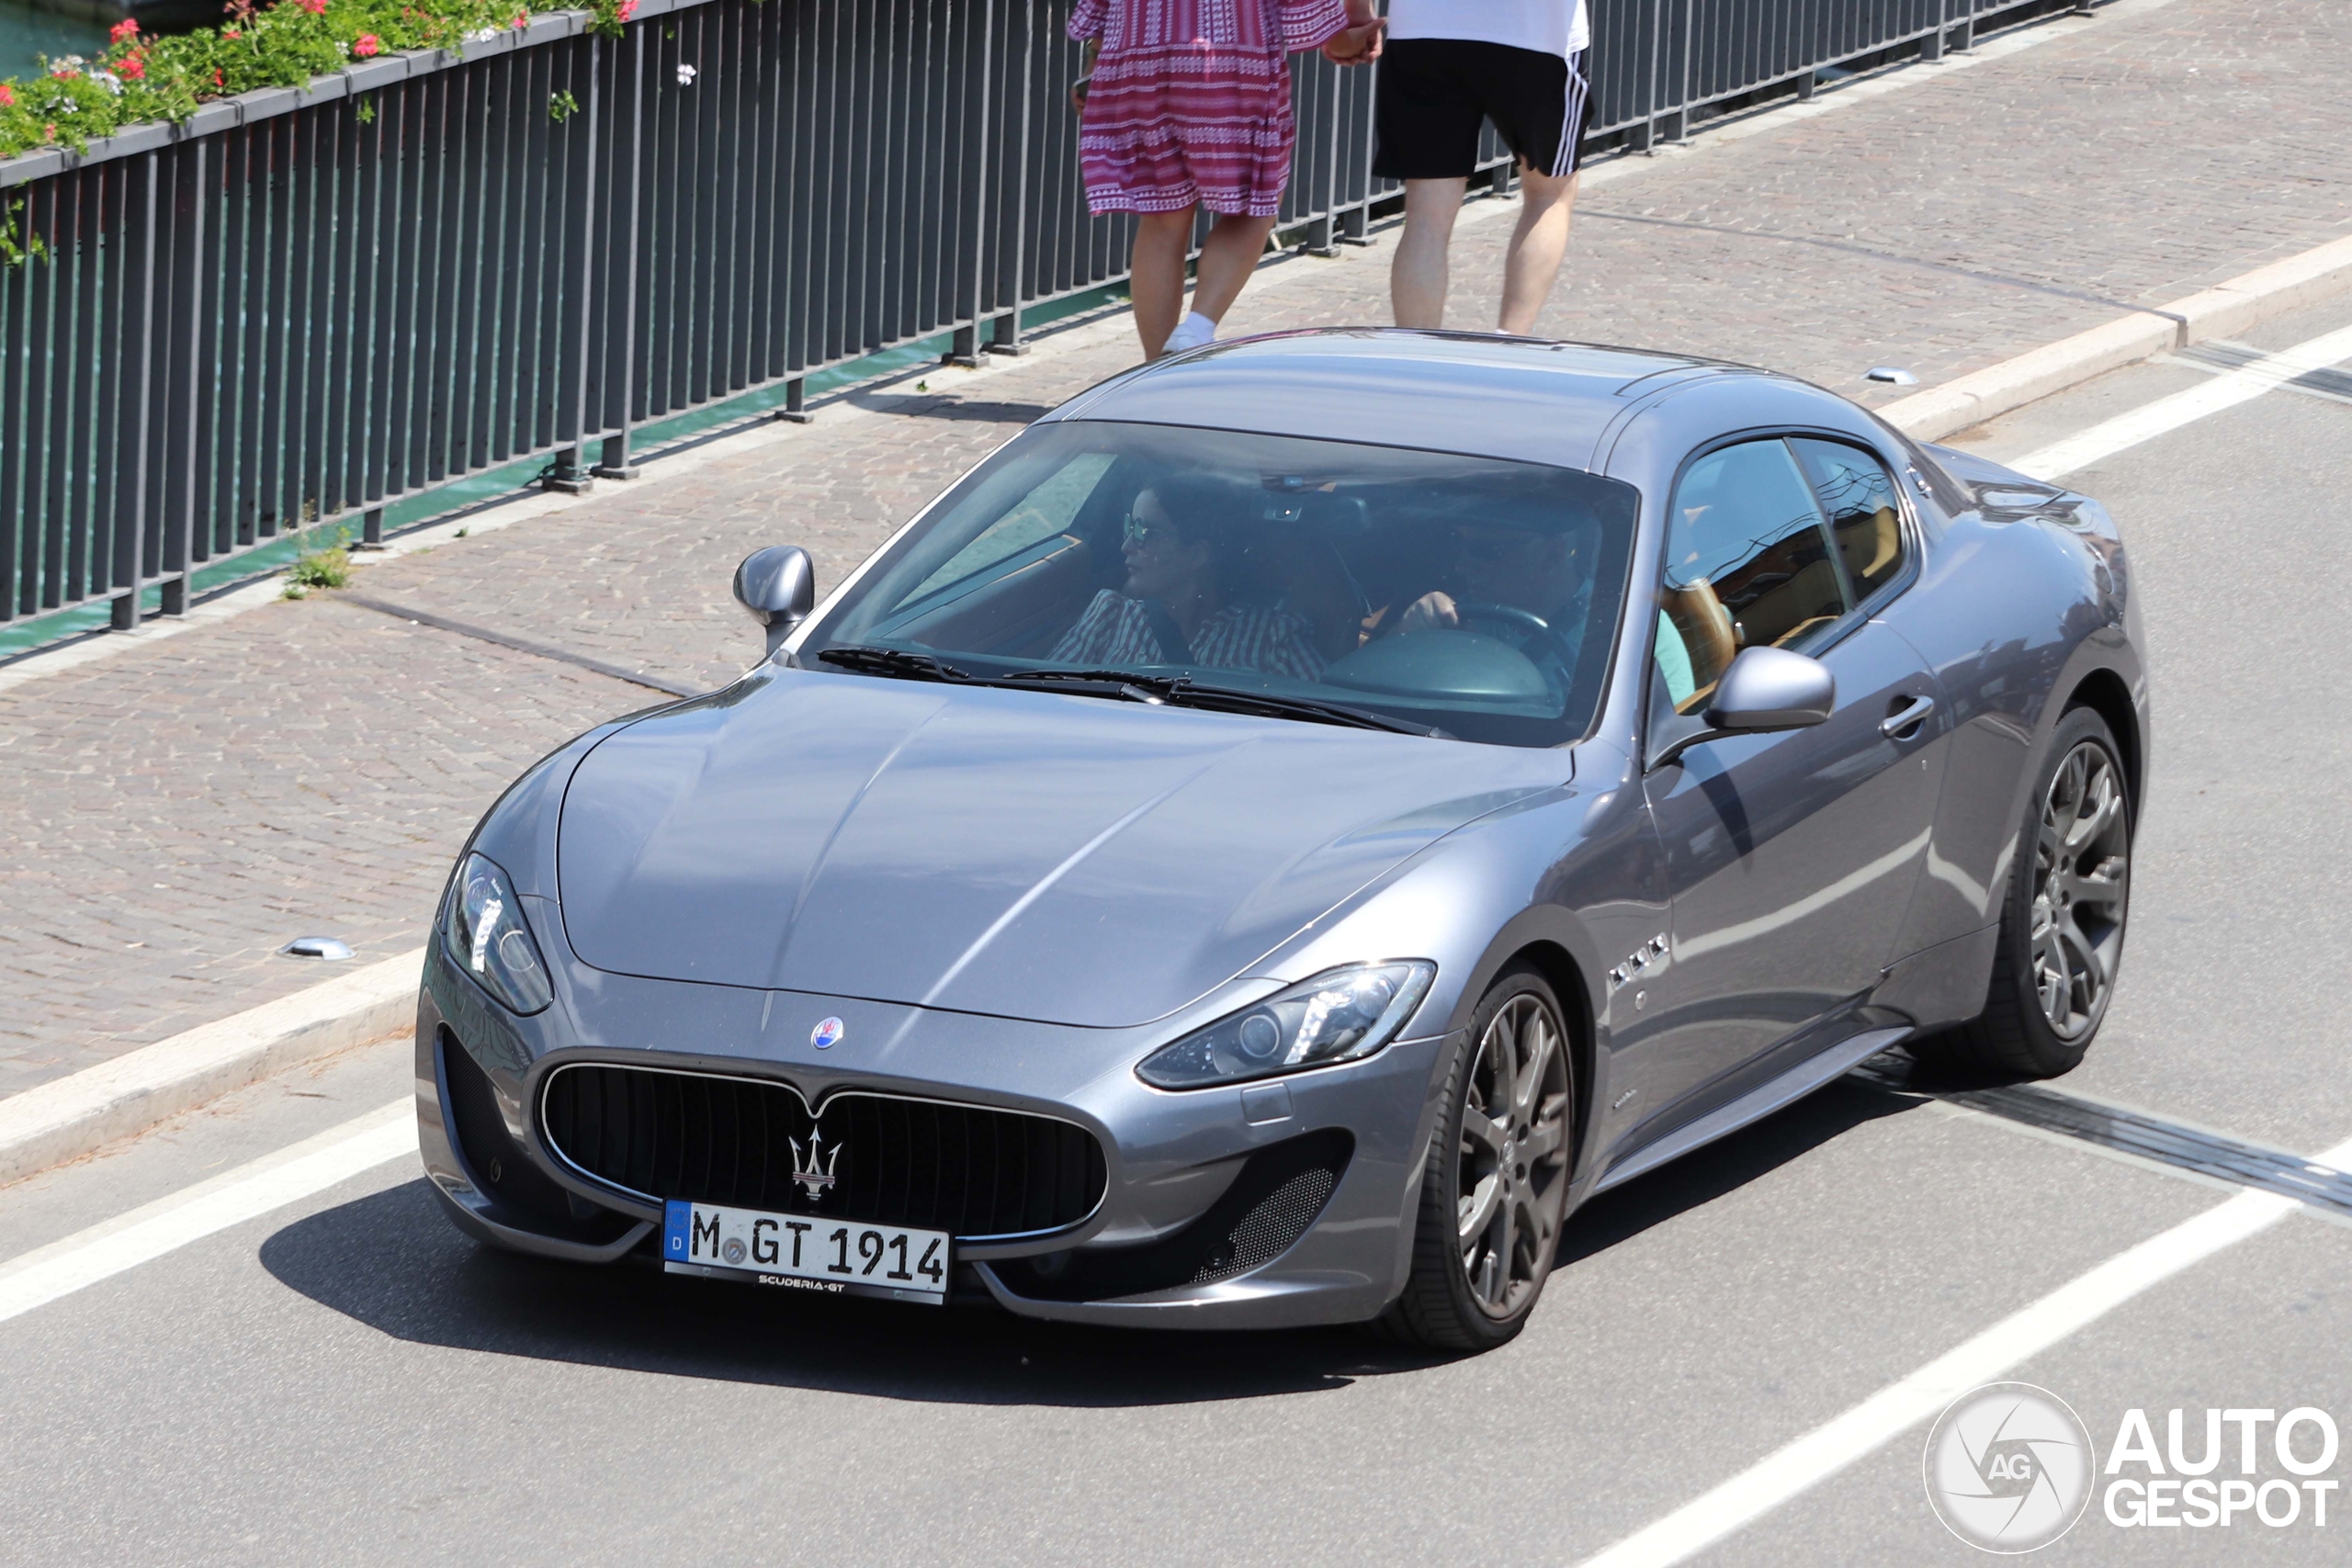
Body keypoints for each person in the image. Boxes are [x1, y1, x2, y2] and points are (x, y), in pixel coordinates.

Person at [1069, 0, 1384, 361]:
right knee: (1256, 204)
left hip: (1137, 61)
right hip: (1231, 60)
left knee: (1161, 220)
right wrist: (1347, 38)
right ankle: (1196, 329)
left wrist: (1094, 62)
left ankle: (1155, 371)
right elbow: (1312, 20)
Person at [1330, 0, 1592, 335]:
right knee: (1550, 195)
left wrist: (1356, 15)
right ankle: (1509, 343)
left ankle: (1417, 352)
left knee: (1427, 215)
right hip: (1539, 36)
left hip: (1424, 28)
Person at [1052, 479, 1324, 679]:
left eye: (1144, 532)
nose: (1126, 546)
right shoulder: (1109, 614)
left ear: (1196, 555)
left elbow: (1331, 720)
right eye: (1129, 526)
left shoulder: (1274, 640)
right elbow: (1048, 696)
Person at [1385, 512, 1600, 686]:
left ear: (1551, 555)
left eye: (1486, 550)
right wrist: (1405, 635)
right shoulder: (1454, 617)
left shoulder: (1609, 637)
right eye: (1458, 544)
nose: (1462, 566)